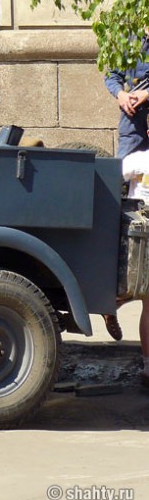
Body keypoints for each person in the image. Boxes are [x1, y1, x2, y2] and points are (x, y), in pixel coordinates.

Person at [103, 37, 149, 385]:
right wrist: (122, 95)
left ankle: (110, 302)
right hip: (131, 127)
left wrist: (144, 95)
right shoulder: (129, 35)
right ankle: (111, 301)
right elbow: (112, 73)